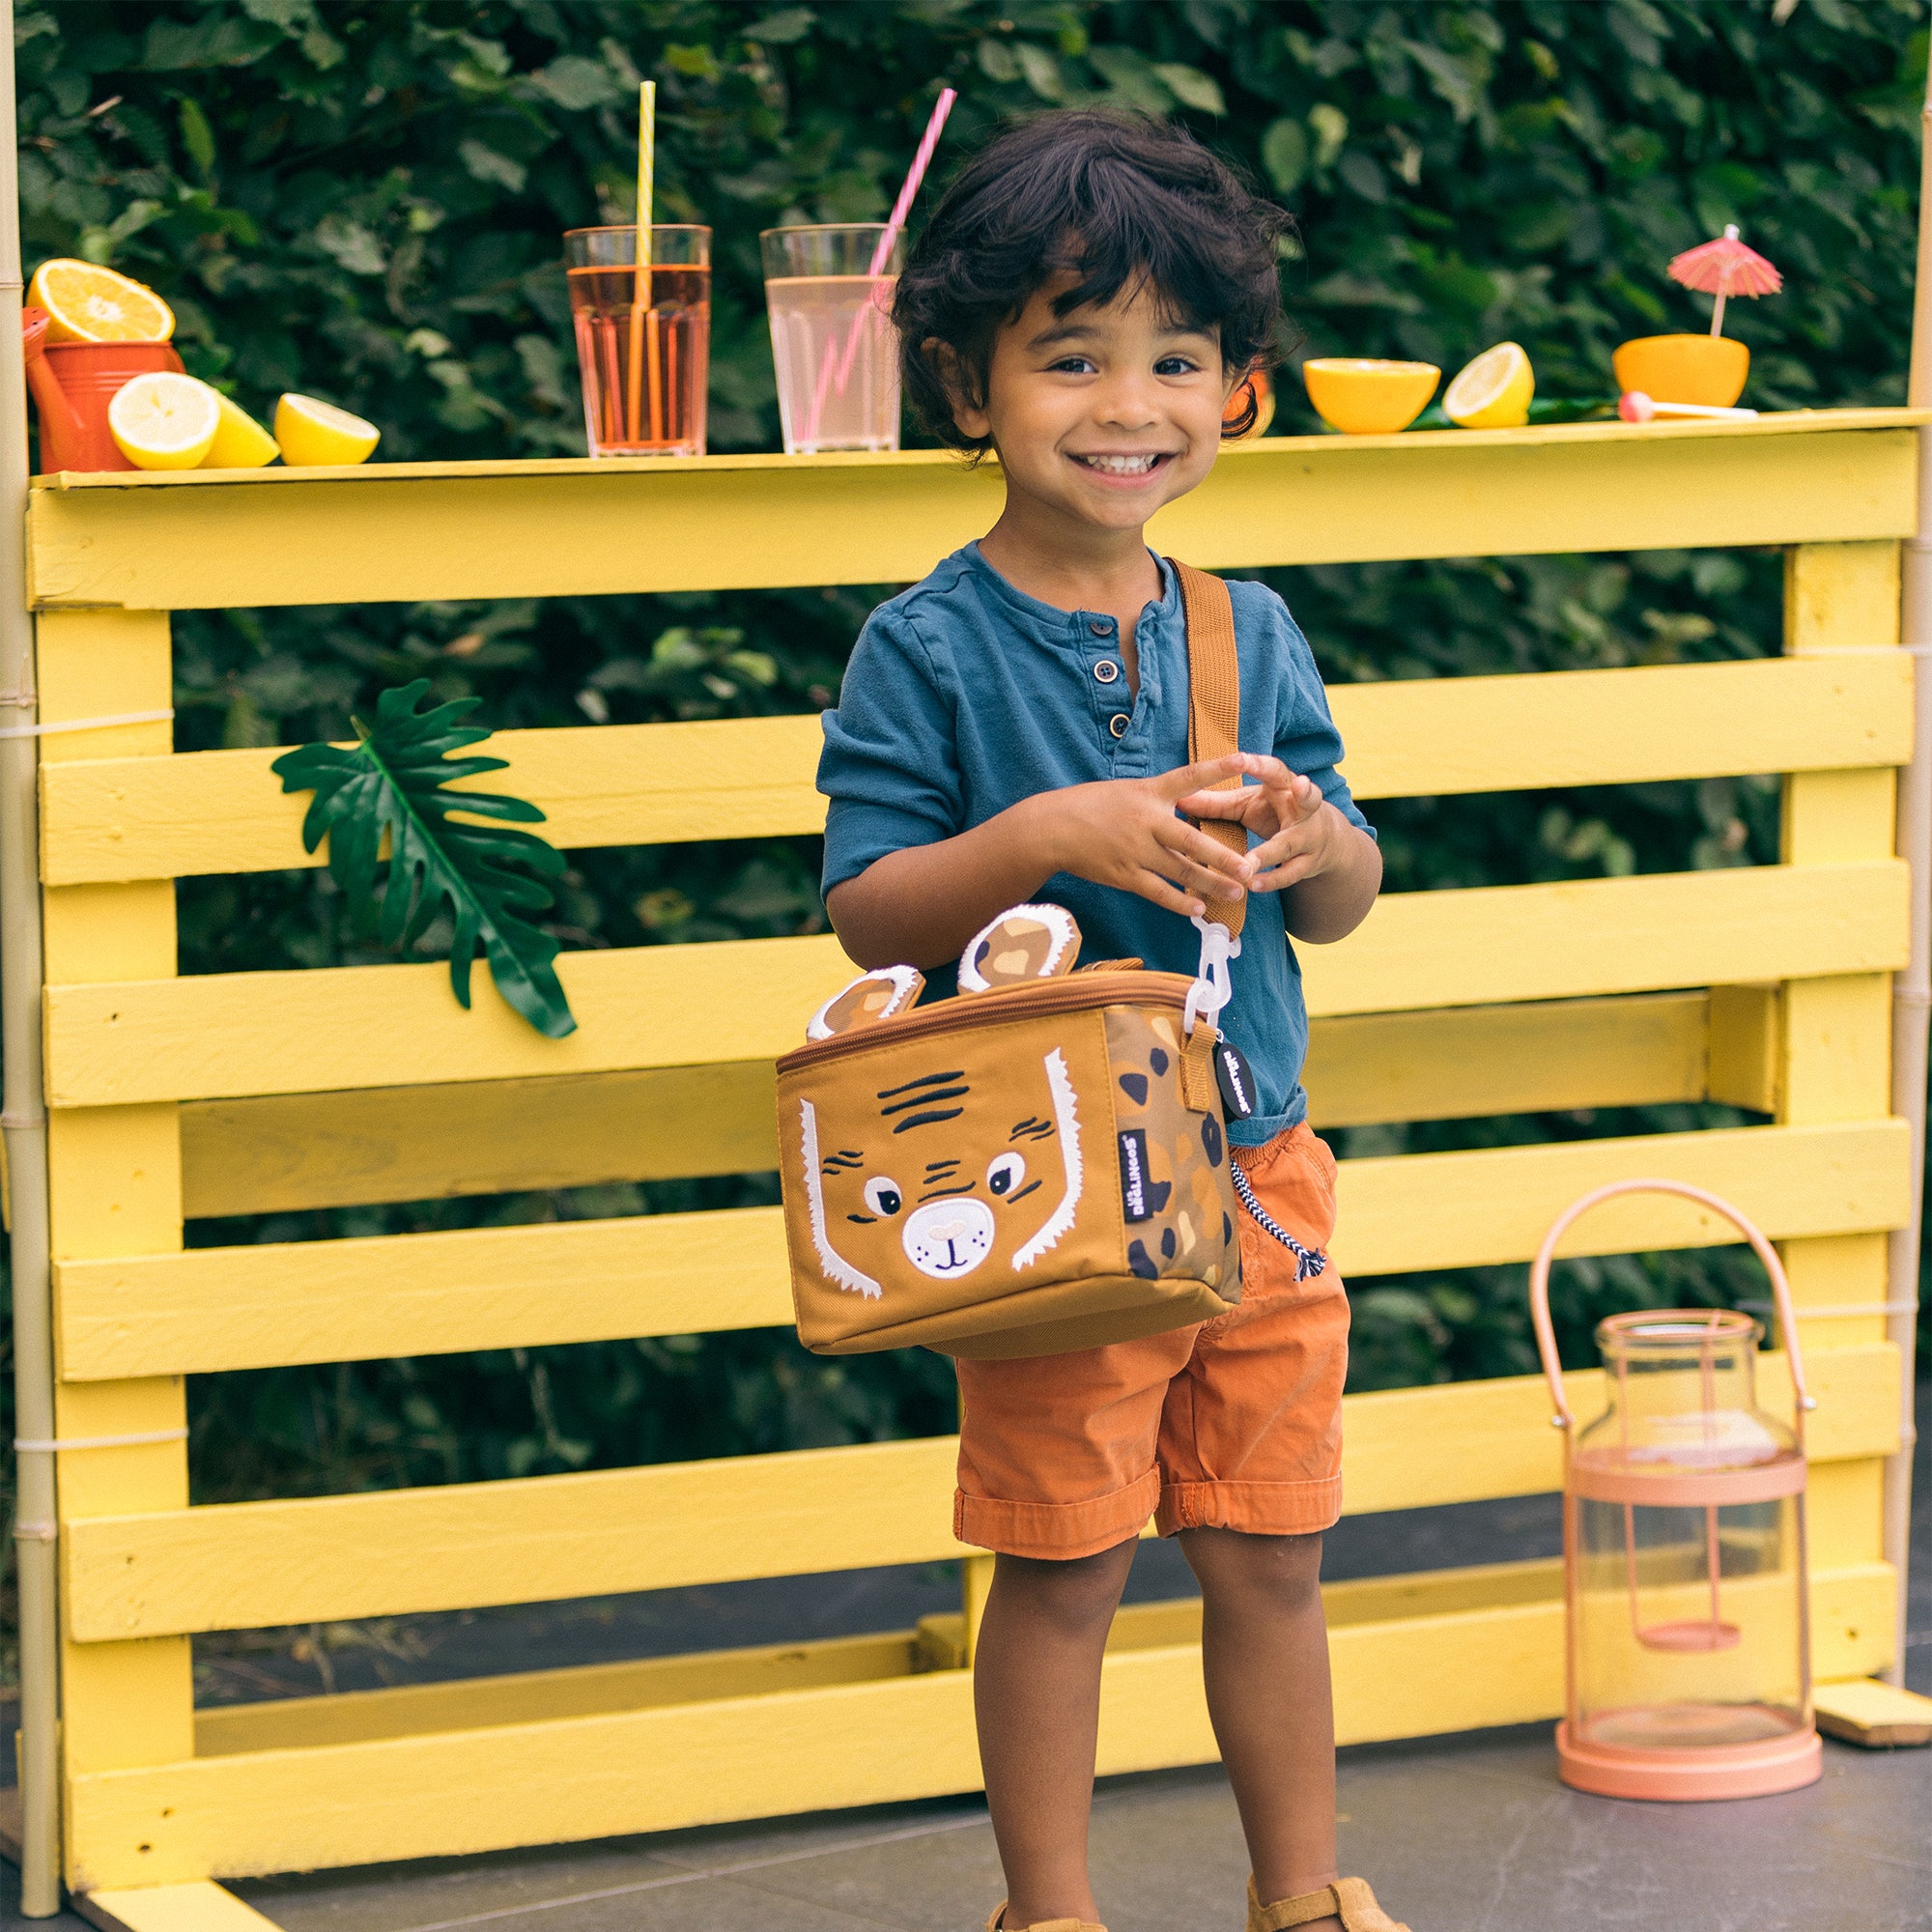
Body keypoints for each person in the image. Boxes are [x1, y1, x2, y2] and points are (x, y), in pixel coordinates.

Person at [817, 110, 1402, 1932]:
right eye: (1068, 358)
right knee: (1062, 1572)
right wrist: (1039, 838)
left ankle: (1298, 1896)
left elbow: (1347, 889)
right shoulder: (929, 645)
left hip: (1256, 1176)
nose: (1126, 404)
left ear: (1237, 390)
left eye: (1176, 361)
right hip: (1049, 1191)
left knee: (1270, 1553)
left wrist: (1316, 837)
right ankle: (1049, 1915)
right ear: (965, 387)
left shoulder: (1246, 628)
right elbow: (868, 905)